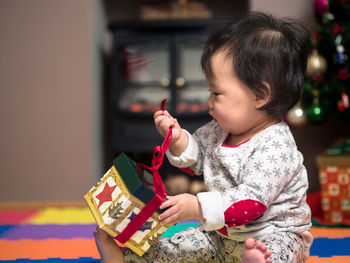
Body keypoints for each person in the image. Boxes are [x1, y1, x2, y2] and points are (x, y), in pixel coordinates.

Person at [94, 11, 313, 262]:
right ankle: (126, 257)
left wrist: (196, 207)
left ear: (260, 95)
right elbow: (197, 154)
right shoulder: (220, 129)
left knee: (279, 252)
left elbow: (251, 203)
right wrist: (177, 138)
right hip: (221, 236)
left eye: (216, 93)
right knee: (177, 246)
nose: (208, 103)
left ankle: (258, 260)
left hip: (273, 234)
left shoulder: (276, 146)